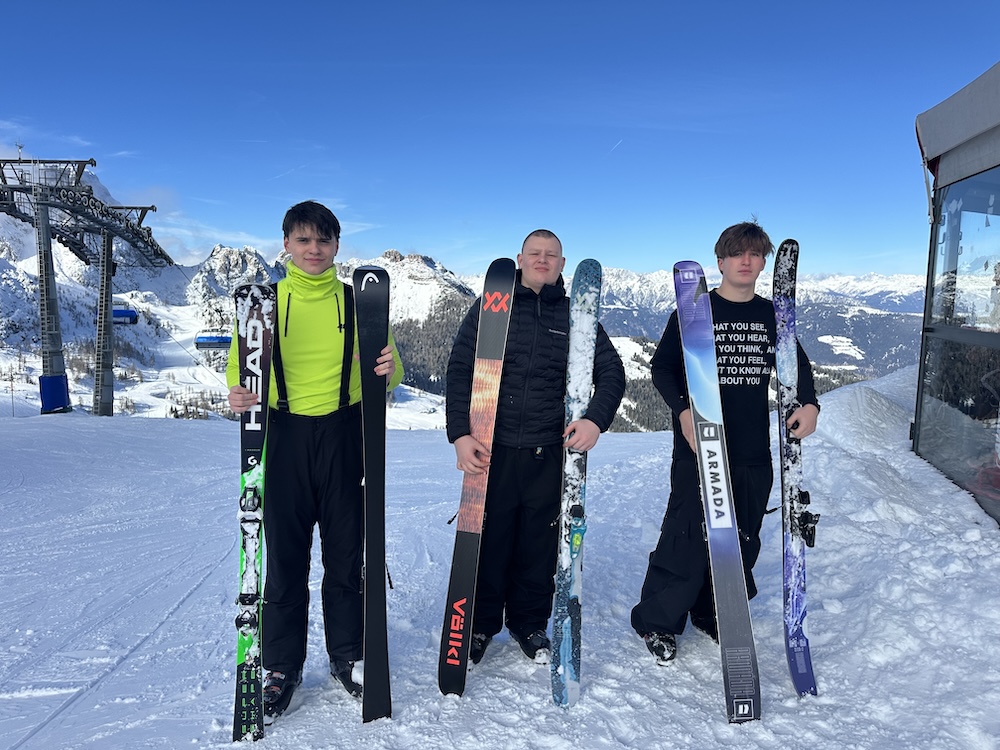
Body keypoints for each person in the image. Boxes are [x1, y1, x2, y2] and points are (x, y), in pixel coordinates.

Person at [226, 200, 404, 718]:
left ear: (337, 246)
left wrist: (388, 368)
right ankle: (281, 665)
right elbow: (241, 371)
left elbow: (389, 373)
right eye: (303, 240)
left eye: (323, 240)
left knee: (346, 556)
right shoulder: (263, 304)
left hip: (345, 432)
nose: (313, 249)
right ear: (285, 244)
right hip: (282, 435)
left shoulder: (358, 302)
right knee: (284, 560)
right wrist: (238, 394)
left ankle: (348, 655)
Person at [630, 221, 819, 664]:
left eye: (754, 254)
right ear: (720, 262)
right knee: (686, 535)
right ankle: (658, 620)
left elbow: (796, 367)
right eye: (737, 254)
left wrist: (809, 404)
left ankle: (714, 609)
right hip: (700, 446)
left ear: (763, 263)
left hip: (751, 448)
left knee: (742, 536)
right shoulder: (695, 312)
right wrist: (683, 412)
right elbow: (662, 369)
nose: (745, 262)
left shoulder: (773, 316)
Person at [446, 229, 625, 665]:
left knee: (538, 544)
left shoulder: (576, 314)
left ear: (562, 264)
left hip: (549, 450)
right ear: (520, 259)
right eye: (535, 253)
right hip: (492, 448)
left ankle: (528, 624)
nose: (543, 260)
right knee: (490, 541)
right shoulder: (493, 306)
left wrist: (595, 420)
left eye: (551, 255)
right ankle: (481, 625)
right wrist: (460, 433)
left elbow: (612, 372)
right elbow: (460, 368)